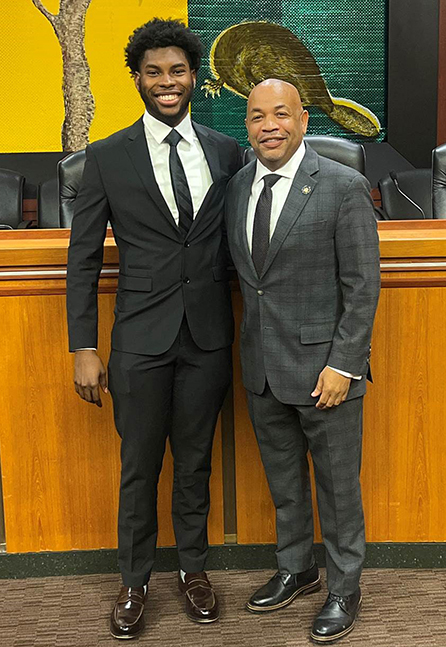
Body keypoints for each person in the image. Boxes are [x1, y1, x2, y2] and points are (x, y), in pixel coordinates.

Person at [66, 18, 242, 640]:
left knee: (195, 466)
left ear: (194, 77)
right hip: (139, 340)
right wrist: (84, 346)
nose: (166, 82)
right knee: (138, 467)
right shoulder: (107, 157)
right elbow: (82, 258)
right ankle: (135, 582)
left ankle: (194, 573)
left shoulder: (227, 151)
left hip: (208, 339)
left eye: (177, 71)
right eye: (154, 72)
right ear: (137, 79)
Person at [225, 79, 380, 644]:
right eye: (257, 116)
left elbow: (362, 287)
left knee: (338, 487)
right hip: (262, 367)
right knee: (285, 482)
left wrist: (345, 365)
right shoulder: (238, 187)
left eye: (281, 114)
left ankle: (344, 587)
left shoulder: (343, 186)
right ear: (247, 125)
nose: (269, 125)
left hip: (325, 374)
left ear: (303, 119)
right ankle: (297, 568)